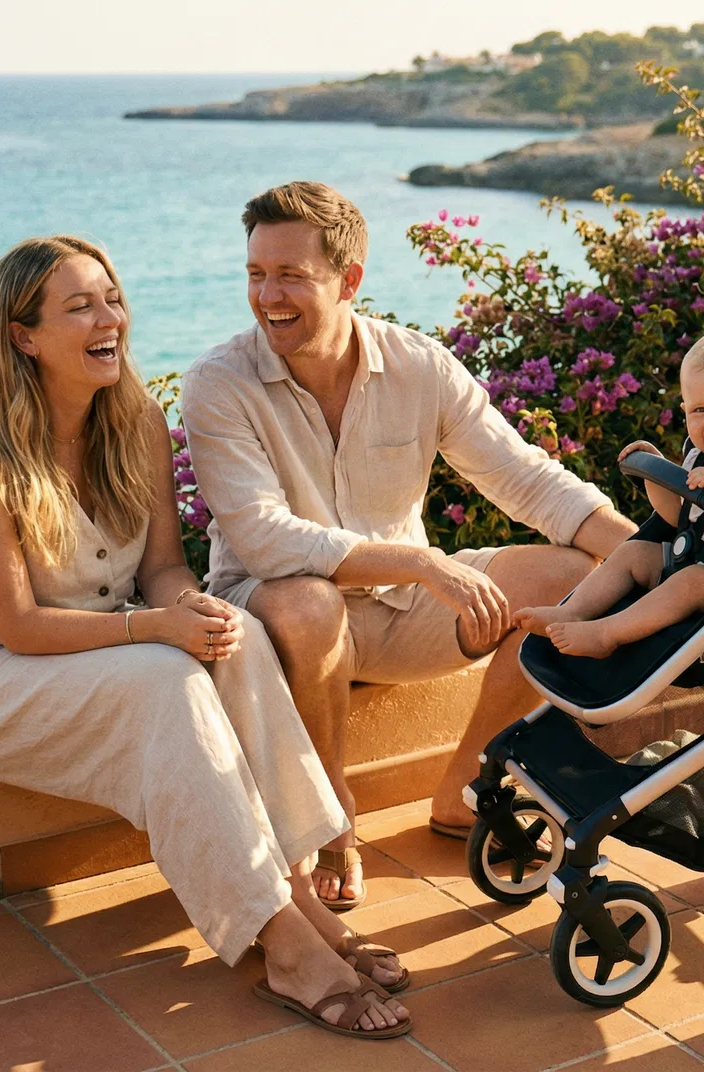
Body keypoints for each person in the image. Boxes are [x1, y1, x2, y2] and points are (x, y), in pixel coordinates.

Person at [0, 235, 412, 1040]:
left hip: (97, 650)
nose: (110, 319)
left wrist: (192, 613)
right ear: (22, 335)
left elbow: (167, 570)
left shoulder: (135, 421)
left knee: (233, 631)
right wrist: (156, 628)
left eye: (112, 298)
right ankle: (284, 948)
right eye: (80, 307)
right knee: (164, 679)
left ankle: (302, 895)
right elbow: (18, 627)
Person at [182, 182, 637, 910]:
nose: (268, 295)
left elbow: (523, 477)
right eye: (256, 274)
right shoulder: (217, 384)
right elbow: (265, 541)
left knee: (570, 575)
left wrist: (650, 553)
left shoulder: (418, 365)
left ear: (349, 280)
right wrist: (426, 564)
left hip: (398, 612)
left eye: (291, 275)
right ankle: (333, 823)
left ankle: (465, 786)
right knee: (307, 601)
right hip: (276, 618)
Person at [517, 329, 704, 658]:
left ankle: (607, 633)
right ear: (685, 410)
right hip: (691, 555)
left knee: (694, 581)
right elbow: (679, 517)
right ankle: (574, 611)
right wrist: (655, 474)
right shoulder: (700, 458)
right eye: (700, 410)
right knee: (633, 553)